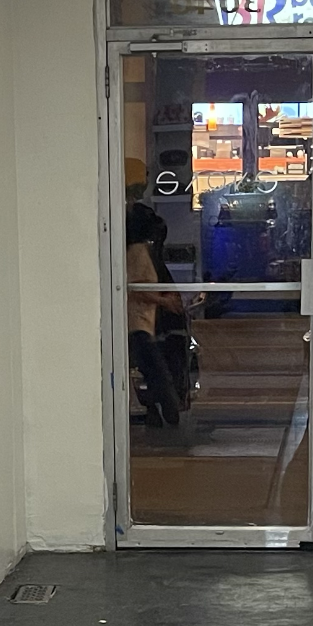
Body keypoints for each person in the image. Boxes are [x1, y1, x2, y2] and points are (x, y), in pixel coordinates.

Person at [124, 157, 185, 426]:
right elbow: (135, 284)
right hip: (142, 314)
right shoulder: (137, 245)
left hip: (149, 311)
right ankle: (164, 408)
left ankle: (160, 410)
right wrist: (163, 300)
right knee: (154, 365)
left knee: (155, 363)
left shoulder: (138, 234)